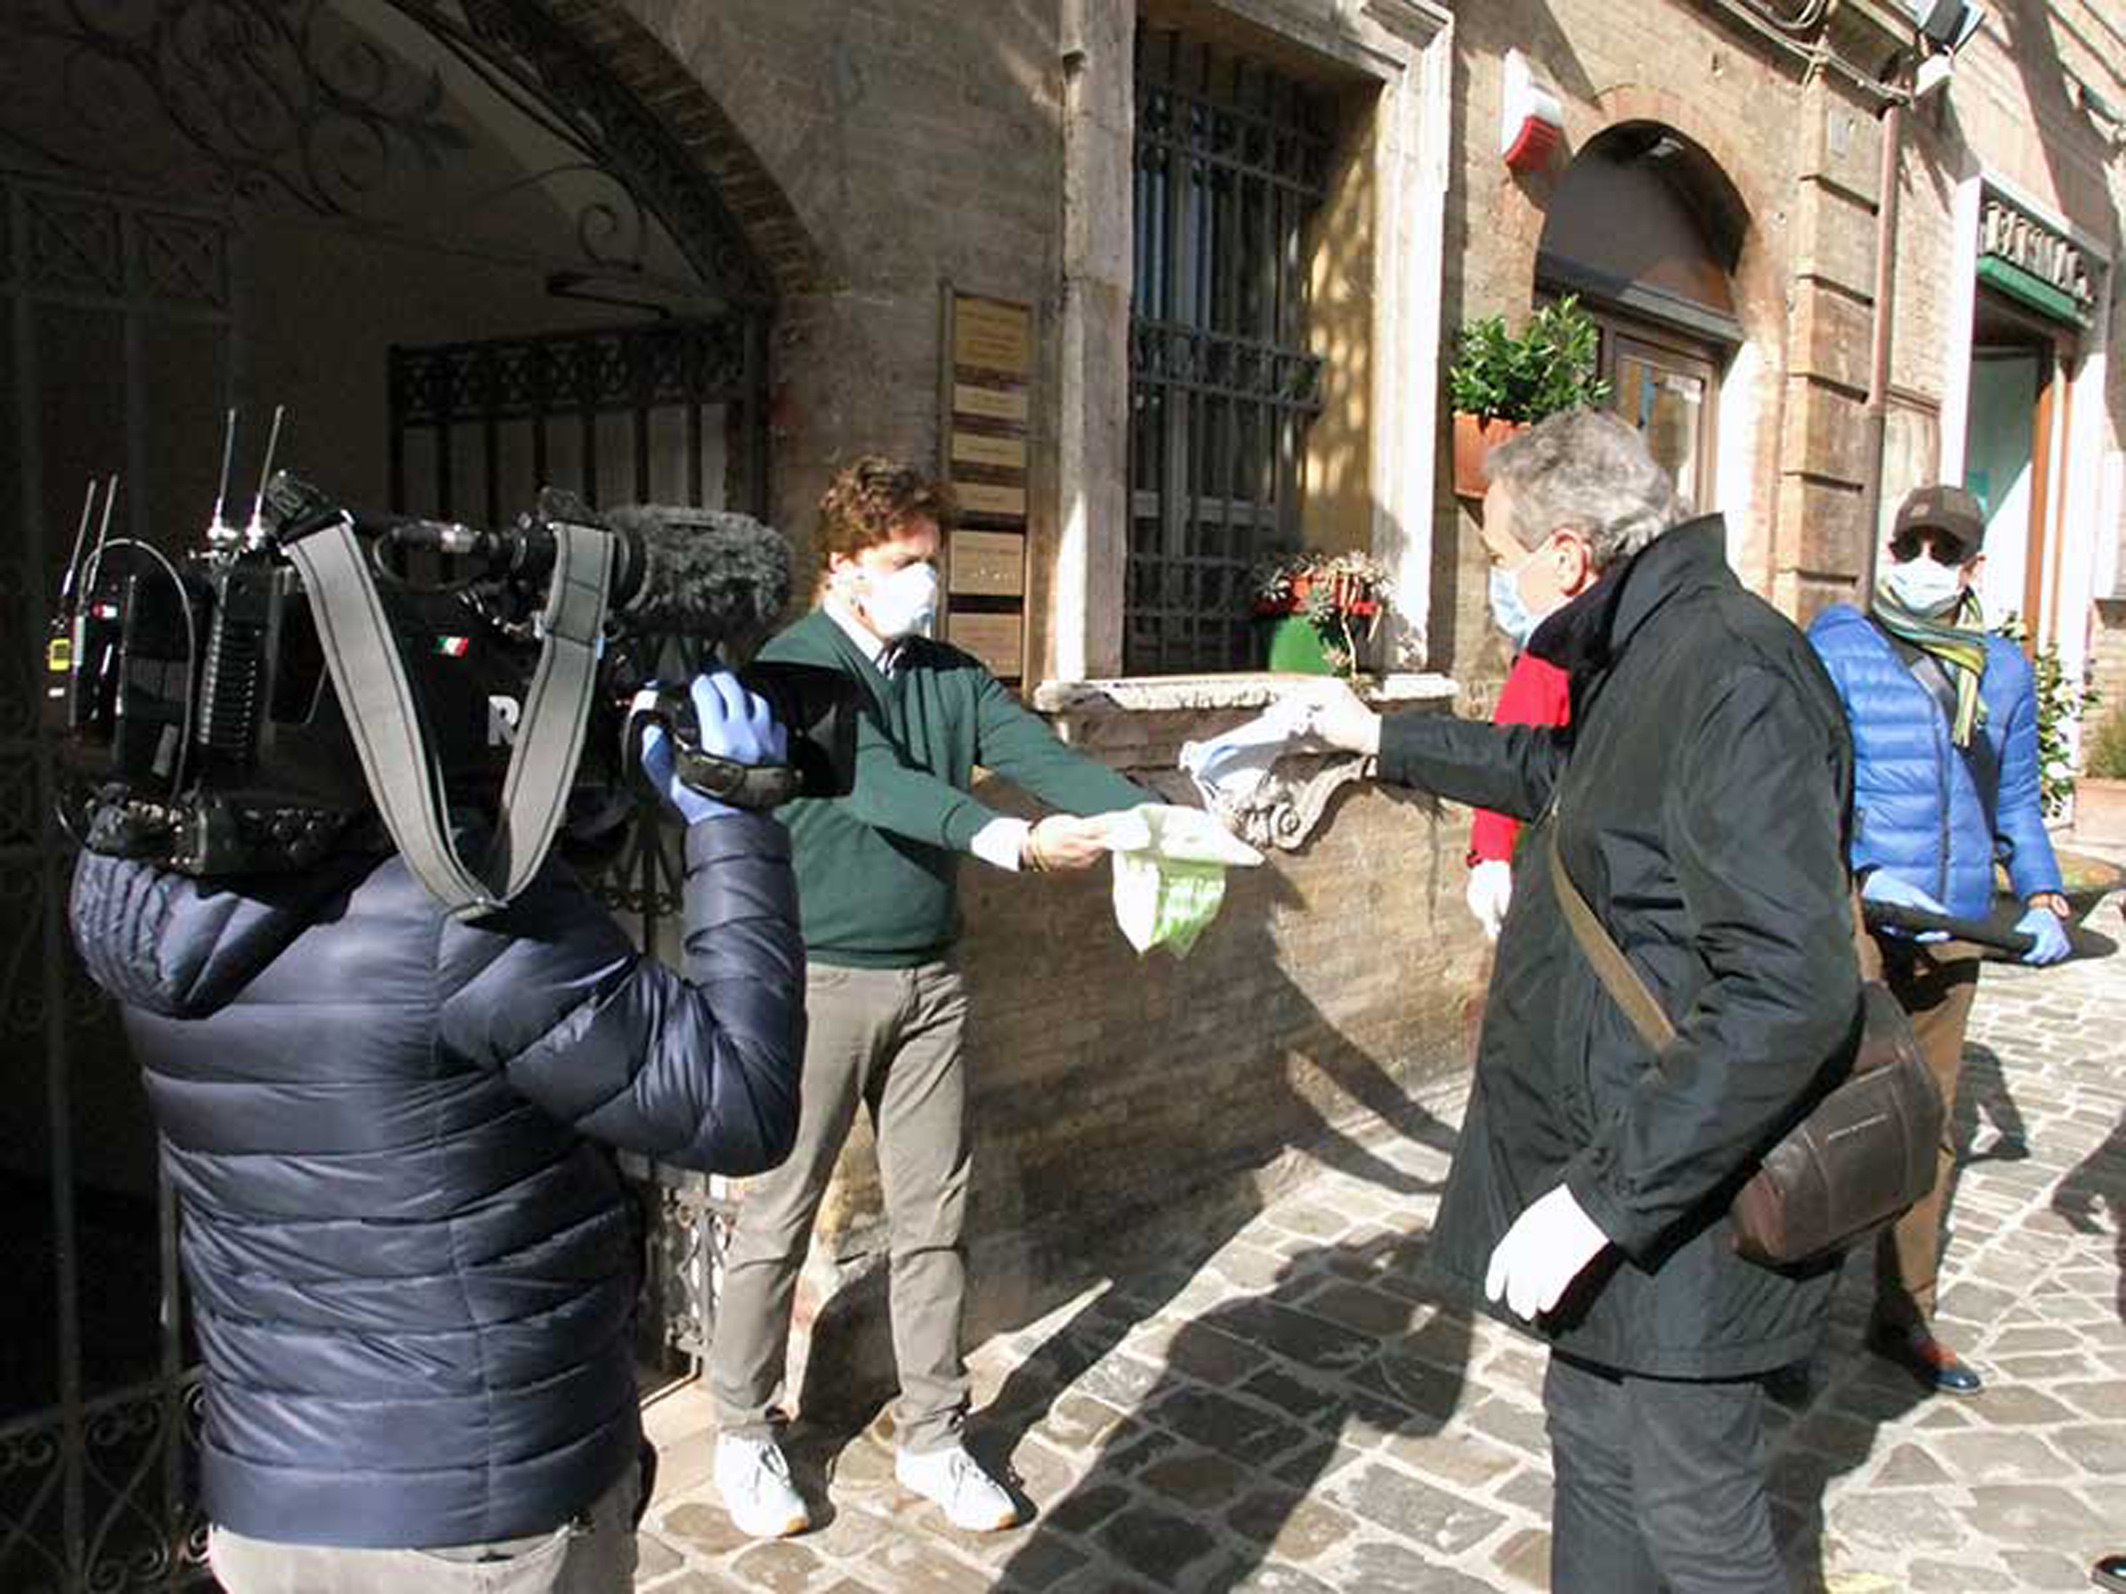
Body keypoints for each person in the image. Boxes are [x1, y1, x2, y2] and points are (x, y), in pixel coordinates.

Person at [67, 670, 805, 1594]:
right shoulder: (455, 926)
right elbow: (736, 1104)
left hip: (274, 1503)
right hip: (473, 1523)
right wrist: (735, 827)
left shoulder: (149, 904)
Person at [1295, 408, 1863, 1594]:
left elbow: (1787, 988)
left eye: (1500, 559)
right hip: (1624, 1163)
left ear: (1564, 553)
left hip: (1687, 1201)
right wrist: (1377, 739)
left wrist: (1603, 1202)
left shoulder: (1728, 671)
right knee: (1593, 1463)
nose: (1499, 584)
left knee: (1696, 1522)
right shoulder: (1649, 645)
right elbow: (1565, 781)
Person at [706, 456, 1154, 1538]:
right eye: (904, 561)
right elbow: (872, 784)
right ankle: (742, 1428)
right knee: (777, 1210)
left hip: (930, 979)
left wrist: (1158, 822)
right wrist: (1008, 838)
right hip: (815, 977)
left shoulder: (947, 674)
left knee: (932, 1218)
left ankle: (934, 1436)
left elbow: (1037, 756)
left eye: (931, 560)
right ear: (845, 563)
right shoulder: (792, 666)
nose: (925, 581)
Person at [1807, 483, 2070, 1395]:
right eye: (1909, 544)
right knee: (1822, 1116)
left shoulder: (2000, 673)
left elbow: (2012, 801)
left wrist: (2043, 894)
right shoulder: (1838, 649)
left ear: (1972, 568)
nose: (1922, 564)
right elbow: (1805, 775)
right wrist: (1858, 866)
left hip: (1952, 922)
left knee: (1930, 1123)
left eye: (1942, 551)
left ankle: (1905, 1311)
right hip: (1858, 918)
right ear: (1887, 550)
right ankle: (1782, 1316)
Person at [1464, 504, 1582, 939]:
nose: (1501, 576)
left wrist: (1491, 855)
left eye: (1501, 559)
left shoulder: (1548, 657)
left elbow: (1507, 761)